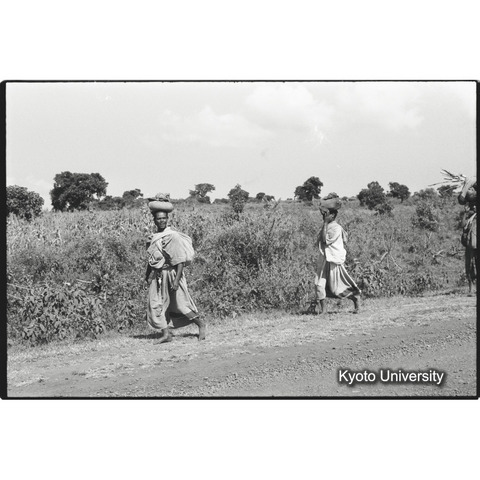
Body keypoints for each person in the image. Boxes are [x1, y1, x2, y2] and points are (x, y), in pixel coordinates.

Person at [144, 194, 206, 343]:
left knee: (181, 303)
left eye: (164, 218)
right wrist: (148, 275)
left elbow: (180, 260)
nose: (161, 221)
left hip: (173, 274)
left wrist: (177, 280)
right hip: (159, 275)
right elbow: (152, 260)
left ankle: (201, 324)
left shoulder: (173, 236)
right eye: (158, 219)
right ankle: (166, 334)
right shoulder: (153, 237)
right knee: (157, 303)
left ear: (167, 219)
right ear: (154, 220)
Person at [309, 206, 361, 314]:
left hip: (333, 260)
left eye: (326, 214)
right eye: (323, 214)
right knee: (318, 284)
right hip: (324, 259)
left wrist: (325, 223)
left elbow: (325, 240)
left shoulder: (336, 228)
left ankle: (355, 297)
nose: (324, 216)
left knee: (336, 288)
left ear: (332, 215)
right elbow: (319, 242)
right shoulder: (327, 226)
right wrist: (325, 224)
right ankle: (323, 311)